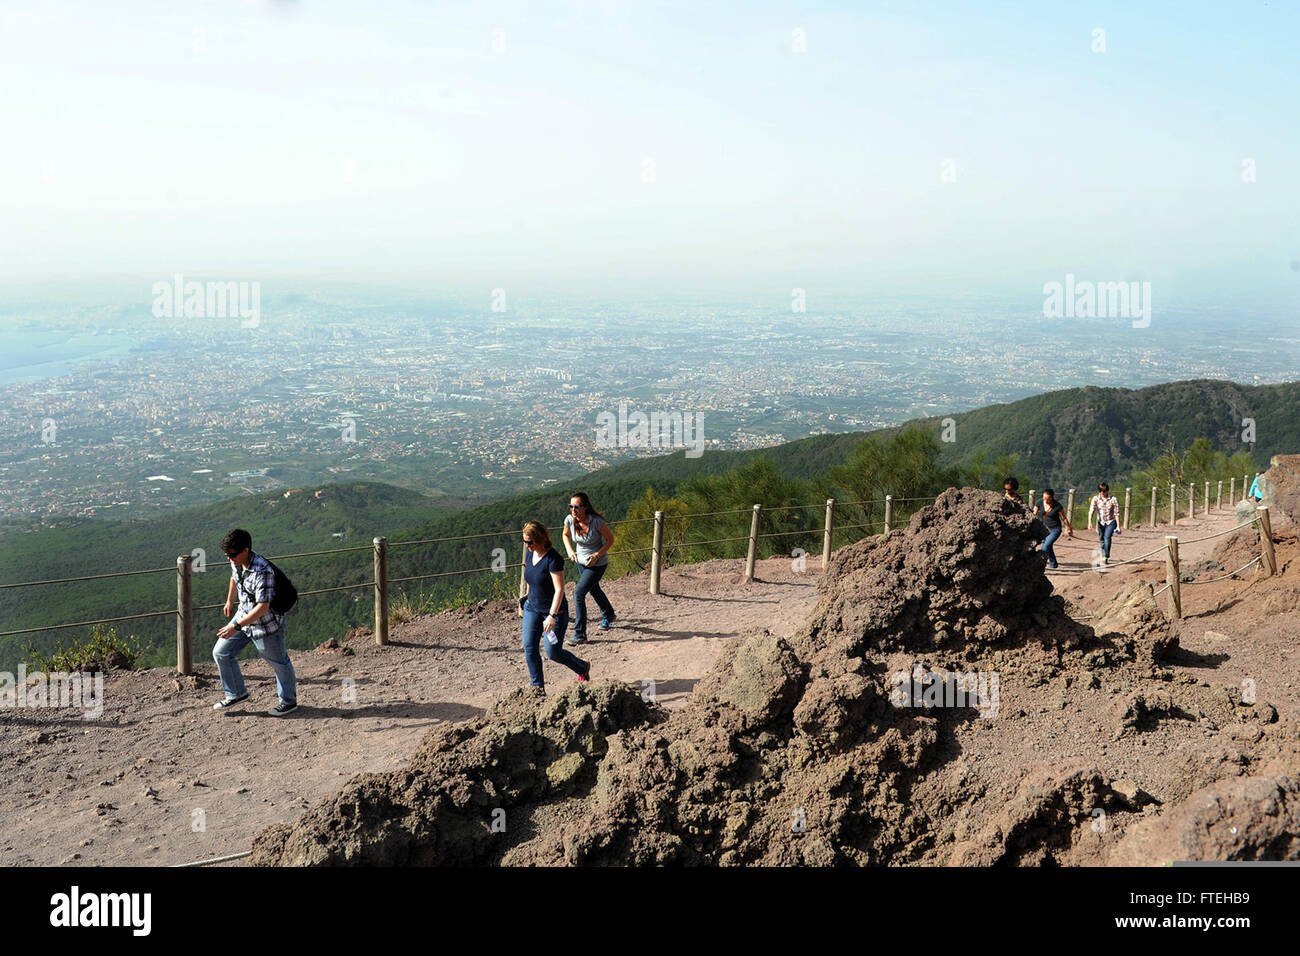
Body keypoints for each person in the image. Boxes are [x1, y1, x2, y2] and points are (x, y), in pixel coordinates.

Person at [212, 529, 298, 716]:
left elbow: (263, 607)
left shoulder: (262, 571)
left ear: (246, 550)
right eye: (227, 555)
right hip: (244, 616)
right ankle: (236, 693)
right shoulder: (238, 562)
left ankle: (288, 702)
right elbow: (235, 577)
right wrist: (229, 600)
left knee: (279, 663)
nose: (229, 558)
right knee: (221, 652)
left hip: (265, 625)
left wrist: (235, 626)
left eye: (232, 554)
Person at [520, 520, 590, 691]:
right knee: (529, 648)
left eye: (529, 542)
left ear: (539, 539)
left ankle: (581, 666)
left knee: (553, 652)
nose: (526, 545)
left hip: (554, 611)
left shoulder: (553, 559)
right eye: (525, 541)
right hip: (532, 608)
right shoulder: (530, 554)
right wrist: (526, 599)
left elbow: (560, 590)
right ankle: (537, 689)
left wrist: (551, 616)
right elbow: (530, 578)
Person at [562, 491, 617, 645]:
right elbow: (565, 535)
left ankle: (580, 634)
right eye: (571, 506)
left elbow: (610, 540)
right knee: (594, 589)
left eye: (577, 507)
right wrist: (570, 551)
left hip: (597, 564)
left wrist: (597, 556)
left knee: (578, 593)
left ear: (585, 507)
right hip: (581, 561)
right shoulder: (569, 520)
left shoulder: (596, 522)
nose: (573, 509)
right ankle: (609, 615)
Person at [1033, 488, 1073, 569]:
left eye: (1048, 499)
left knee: (1045, 546)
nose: (1046, 500)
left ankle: (1040, 564)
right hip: (1043, 529)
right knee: (1049, 546)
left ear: (1052, 498)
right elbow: (1033, 515)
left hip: (1055, 529)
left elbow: (1064, 518)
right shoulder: (1039, 502)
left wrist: (1069, 528)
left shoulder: (1057, 506)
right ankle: (1053, 564)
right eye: (1044, 498)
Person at [1087, 482, 1122, 565]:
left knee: (1107, 537)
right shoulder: (1095, 499)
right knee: (1102, 539)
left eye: (1104, 491)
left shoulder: (1113, 499)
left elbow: (1116, 513)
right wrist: (1090, 522)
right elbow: (1091, 511)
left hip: (1111, 521)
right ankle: (1104, 554)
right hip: (1101, 521)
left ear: (1107, 490)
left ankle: (1105, 556)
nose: (1103, 493)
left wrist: (1118, 526)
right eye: (1101, 491)